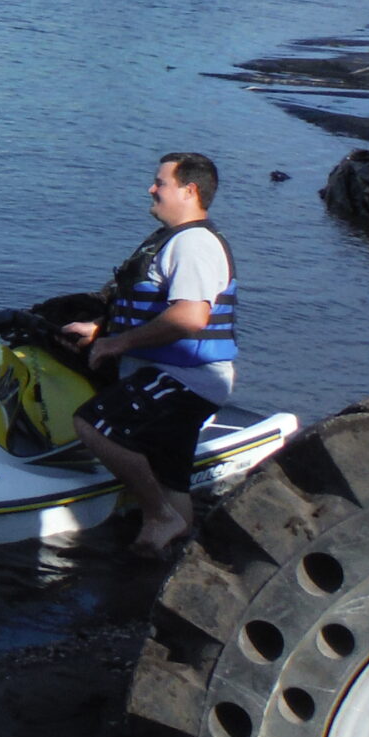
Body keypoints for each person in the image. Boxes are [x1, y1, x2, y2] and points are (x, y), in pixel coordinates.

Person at [62, 151, 239, 559]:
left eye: (160, 182)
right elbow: (154, 306)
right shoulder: (174, 240)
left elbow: (191, 316)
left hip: (186, 377)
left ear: (189, 190)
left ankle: (159, 516)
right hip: (178, 375)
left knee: (94, 425)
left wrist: (115, 344)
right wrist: (99, 329)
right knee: (169, 474)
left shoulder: (194, 243)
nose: (151, 189)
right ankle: (168, 554)